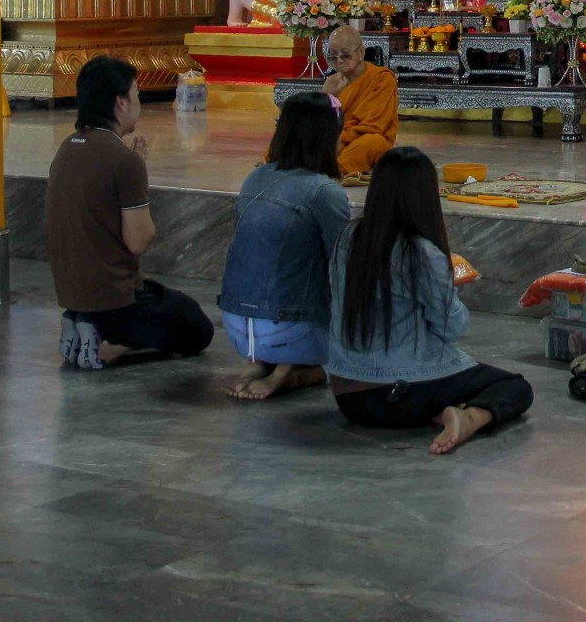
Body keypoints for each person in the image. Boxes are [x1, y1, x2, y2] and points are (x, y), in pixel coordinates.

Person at [328, 147, 532, 455]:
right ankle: (469, 417)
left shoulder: (348, 238)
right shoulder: (420, 253)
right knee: (515, 387)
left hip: (348, 397)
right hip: (398, 395)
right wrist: (450, 291)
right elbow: (453, 326)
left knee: (449, 375)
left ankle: (443, 411)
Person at [47, 55, 214, 369]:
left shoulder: (67, 147)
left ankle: (79, 316)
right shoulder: (124, 161)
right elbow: (139, 240)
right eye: (136, 94)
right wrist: (139, 173)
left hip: (70, 291)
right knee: (197, 328)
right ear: (121, 103)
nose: (139, 101)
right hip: (115, 299)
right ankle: (98, 325)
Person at [218, 91, 352, 400]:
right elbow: (342, 262)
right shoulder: (324, 191)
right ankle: (289, 372)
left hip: (238, 330)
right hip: (293, 334)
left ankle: (255, 363)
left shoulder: (254, 177)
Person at [321, 26, 399, 175]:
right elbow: (320, 122)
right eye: (333, 56)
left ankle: (335, 169)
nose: (339, 61)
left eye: (345, 55)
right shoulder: (331, 83)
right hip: (335, 141)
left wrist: (340, 140)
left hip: (363, 141)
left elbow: (374, 127)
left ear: (361, 52)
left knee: (374, 143)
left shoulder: (382, 79)